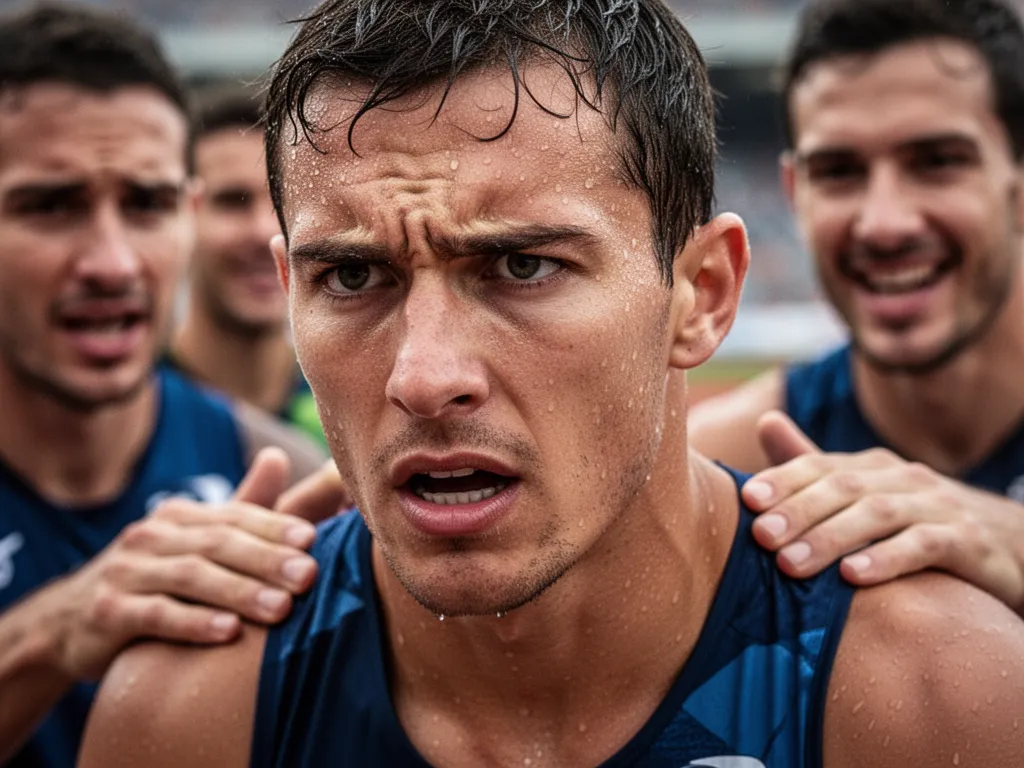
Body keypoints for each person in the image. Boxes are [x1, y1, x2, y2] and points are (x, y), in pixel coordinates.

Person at [80, 1, 1024, 766]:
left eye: (523, 266)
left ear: (702, 293)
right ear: (289, 289)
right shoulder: (190, 708)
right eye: (354, 276)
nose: (425, 377)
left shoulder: (935, 693)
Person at [0, 5, 329, 766]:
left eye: (147, 204)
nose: (112, 262)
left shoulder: (275, 476)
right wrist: (54, 632)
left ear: (187, 214)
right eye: (51, 206)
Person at [690, 0, 1024, 615]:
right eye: (839, 171)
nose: (884, 224)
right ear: (795, 194)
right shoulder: (730, 465)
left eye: (938, 162)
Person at [166, 84, 326, 445]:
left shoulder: (351, 403)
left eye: (282, 202)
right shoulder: (130, 414)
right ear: (178, 214)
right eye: (232, 201)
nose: (265, 231)